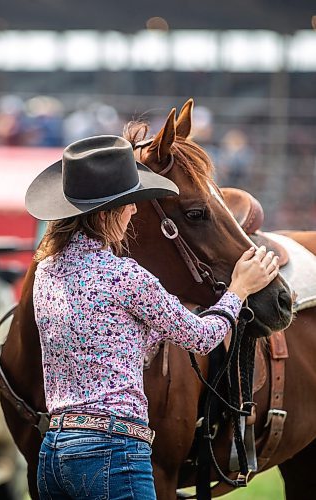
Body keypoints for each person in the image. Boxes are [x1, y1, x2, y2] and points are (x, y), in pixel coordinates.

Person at [25, 135, 279, 500]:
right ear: (105, 213)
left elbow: (106, 340)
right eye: (130, 203)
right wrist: (238, 289)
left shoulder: (47, 272)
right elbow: (202, 338)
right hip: (113, 450)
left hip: (54, 451)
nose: (133, 211)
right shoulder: (125, 276)